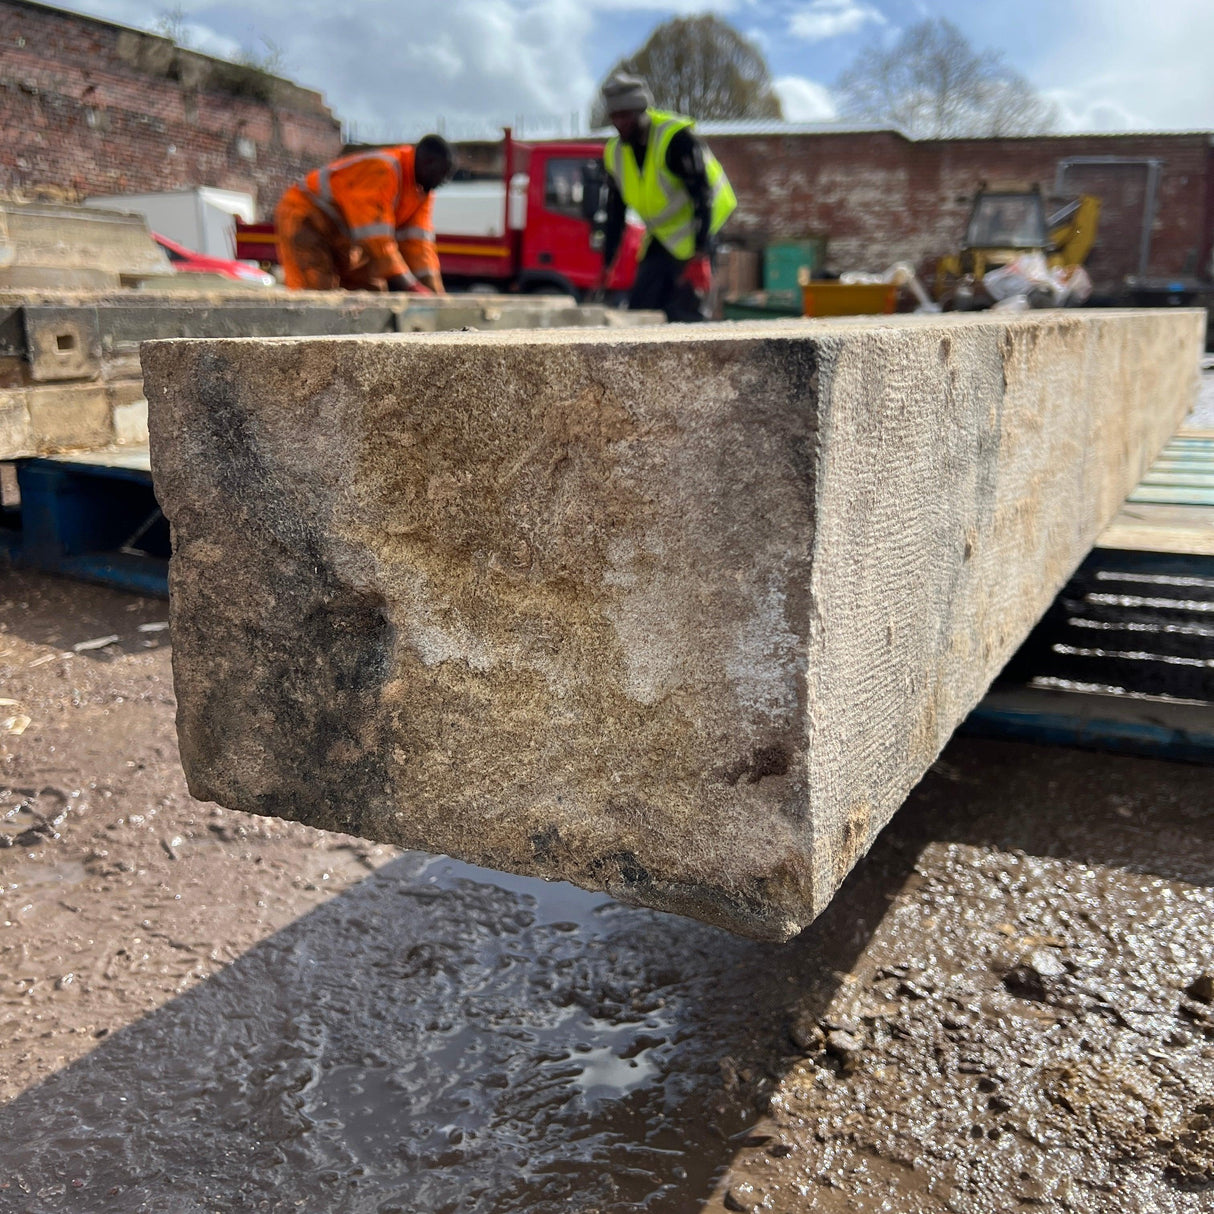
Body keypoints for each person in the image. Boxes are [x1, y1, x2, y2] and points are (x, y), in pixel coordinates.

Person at [597, 73, 736, 321]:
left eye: (626, 115)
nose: (620, 123)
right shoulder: (615, 153)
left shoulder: (676, 139)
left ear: (642, 110)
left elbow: (703, 196)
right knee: (642, 310)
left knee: (686, 315)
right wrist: (607, 264)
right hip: (663, 237)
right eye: (615, 117)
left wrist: (701, 253)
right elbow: (615, 211)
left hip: (700, 228)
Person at [275, 135, 454, 293]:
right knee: (315, 289)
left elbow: (419, 247)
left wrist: (436, 295)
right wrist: (412, 287)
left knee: (369, 290)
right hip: (305, 215)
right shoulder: (383, 169)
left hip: (339, 230)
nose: (442, 182)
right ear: (428, 163)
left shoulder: (421, 191)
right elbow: (375, 241)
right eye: (442, 175)